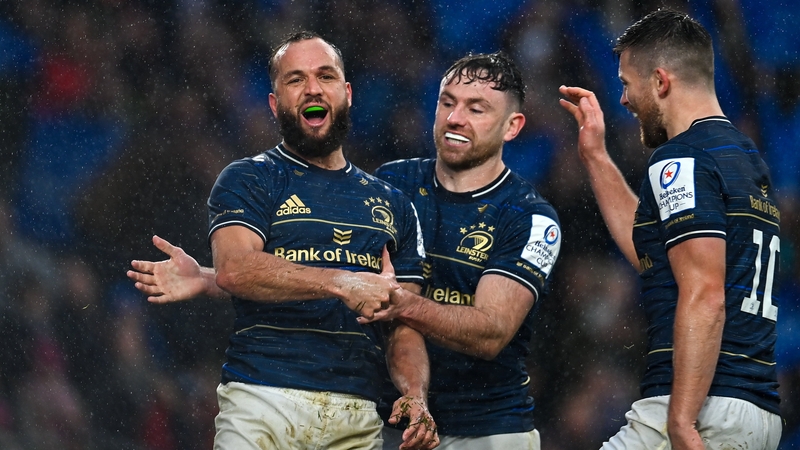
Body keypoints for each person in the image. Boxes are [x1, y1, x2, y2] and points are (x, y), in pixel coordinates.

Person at [130, 51, 562, 449]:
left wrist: (392, 301)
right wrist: (211, 278)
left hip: (487, 428)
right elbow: (334, 275)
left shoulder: (530, 218)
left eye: (476, 109)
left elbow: (490, 334)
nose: (456, 118)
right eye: (447, 102)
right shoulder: (391, 187)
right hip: (398, 418)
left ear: (513, 127)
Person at [130, 31, 439, 450]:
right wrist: (343, 282)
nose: (312, 87)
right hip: (261, 401)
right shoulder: (248, 179)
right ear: (275, 104)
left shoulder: (394, 205)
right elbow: (237, 269)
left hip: (355, 415)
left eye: (325, 76)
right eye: (295, 80)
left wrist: (415, 395)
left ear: (346, 94)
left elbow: (404, 326)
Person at [559, 8, 782, 450]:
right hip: (752, 410)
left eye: (626, 83)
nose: (623, 99)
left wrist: (680, 420)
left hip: (699, 408)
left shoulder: (682, 160)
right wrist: (597, 158)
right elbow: (652, 251)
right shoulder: (744, 158)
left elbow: (705, 293)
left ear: (660, 81)